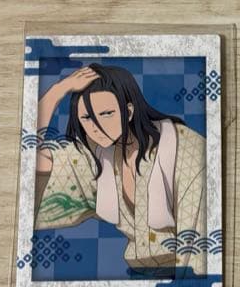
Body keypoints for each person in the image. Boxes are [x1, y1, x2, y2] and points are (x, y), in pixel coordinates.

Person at [35, 63, 207, 274]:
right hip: (138, 274)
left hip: (187, 275)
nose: (96, 127)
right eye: (87, 118)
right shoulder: (99, 155)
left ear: (129, 111)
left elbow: (199, 244)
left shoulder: (186, 148)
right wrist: (57, 91)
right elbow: (33, 158)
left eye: (106, 113)